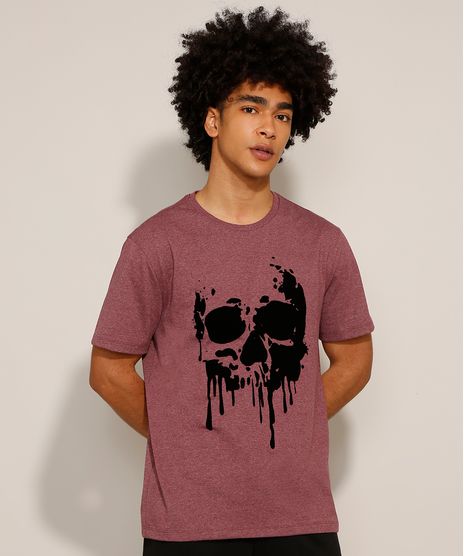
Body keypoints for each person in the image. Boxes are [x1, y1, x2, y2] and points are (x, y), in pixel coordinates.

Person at [89, 6, 375, 556]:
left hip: (298, 520)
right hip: (188, 526)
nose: (269, 127)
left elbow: (356, 359)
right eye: (251, 108)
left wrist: (296, 420)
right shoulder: (155, 244)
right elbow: (108, 371)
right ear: (212, 120)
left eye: (283, 115)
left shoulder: (322, 243)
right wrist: (180, 437)